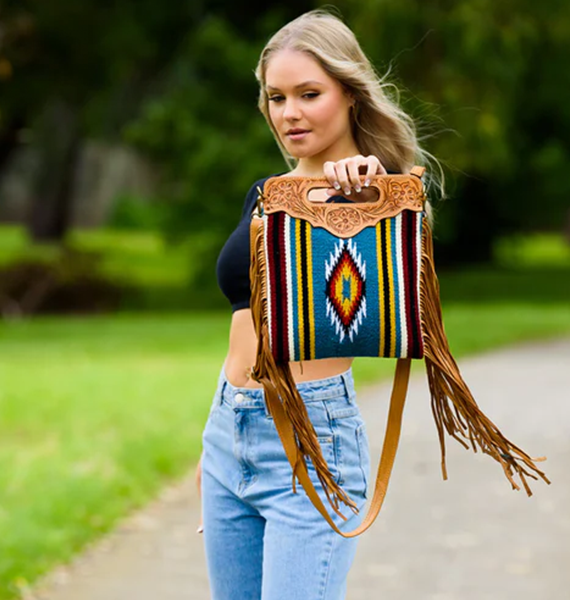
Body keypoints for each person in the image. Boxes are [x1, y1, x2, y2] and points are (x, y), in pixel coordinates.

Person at [197, 8, 443, 600]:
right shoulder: (267, 195)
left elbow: (393, 290)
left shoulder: (375, 195)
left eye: (309, 94)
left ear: (351, 95)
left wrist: (364, 194)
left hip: (311, 441)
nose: (290, 113)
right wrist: (222, 451)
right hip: (230, 432)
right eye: (276, 97)